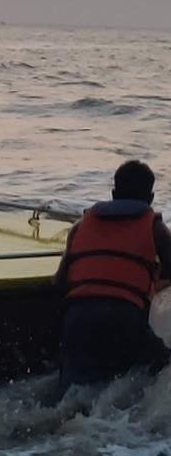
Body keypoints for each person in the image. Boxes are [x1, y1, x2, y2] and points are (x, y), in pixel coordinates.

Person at [56, 160, 171, 397]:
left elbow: (59, 281)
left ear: (113, 193)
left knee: (69, 395)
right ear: (150, 197)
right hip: (124, 317)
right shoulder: (156, 229)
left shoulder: (80, 226)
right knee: (163, 365)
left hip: (77, 318)